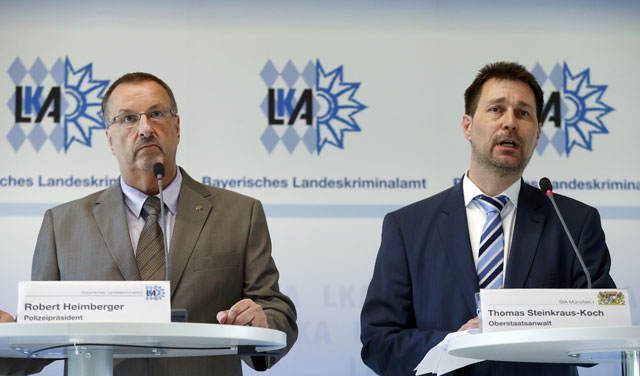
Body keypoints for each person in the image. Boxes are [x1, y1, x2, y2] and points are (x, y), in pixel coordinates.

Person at [0, 72, 297, 375]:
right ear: (109, 139)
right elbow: (38, 338)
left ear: (177, 127)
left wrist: (263, 321)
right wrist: (7, 336)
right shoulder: (62, 225)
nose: (145, 129)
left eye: (156, 114)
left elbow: (276, 312)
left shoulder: (239, 214)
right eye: (127, 119)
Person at [360, 62, 615, 376]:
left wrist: (523, 324)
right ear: (467, 126)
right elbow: (379, 343)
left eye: (524, 113)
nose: (510, 123)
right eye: (496, 109)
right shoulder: (407, 227)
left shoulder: (574, 222)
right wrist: (459, 343)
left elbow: (603, 330)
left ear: (536, 135)